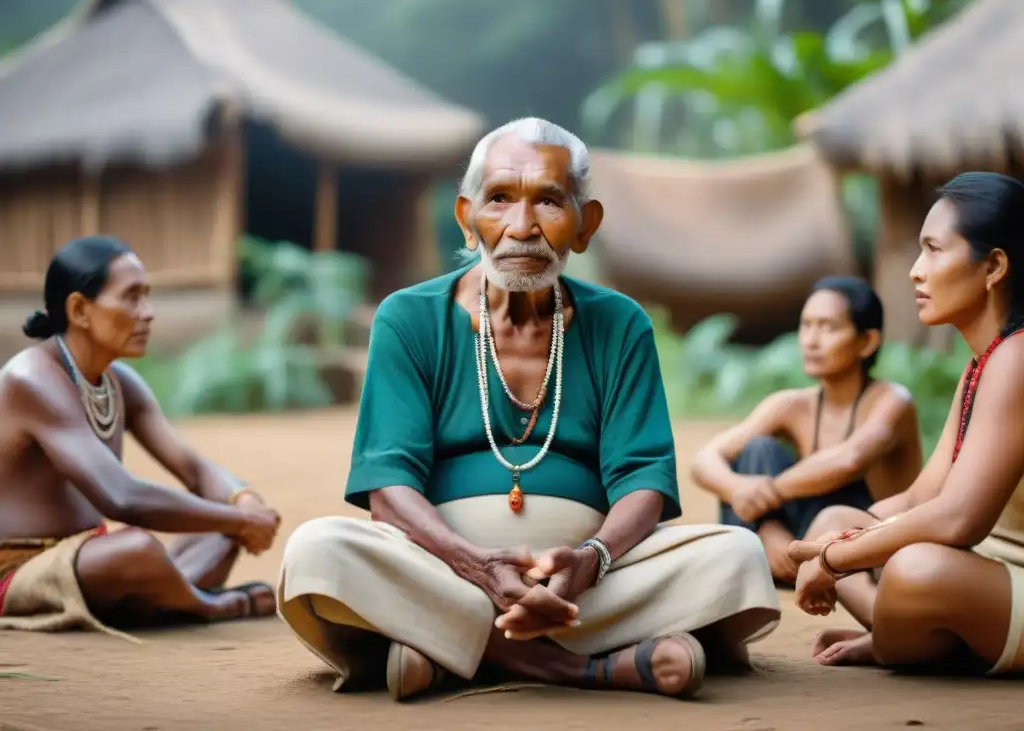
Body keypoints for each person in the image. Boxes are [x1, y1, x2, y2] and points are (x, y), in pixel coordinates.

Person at [277, 117, 780, 702]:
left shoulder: (620, 324)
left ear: (584, 224)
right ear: (467, 220)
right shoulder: (408, 318)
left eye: (548, 201)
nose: (521, 228)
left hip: (588, 582)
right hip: (444, 568)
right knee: (318, 552)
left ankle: (447, 648)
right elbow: (388, 486)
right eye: (499, 200)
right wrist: (475, 566)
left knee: (737, 556)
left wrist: (591, 558)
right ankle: (580, 667)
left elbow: (644, 479)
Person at [788, 172, 1024, 676]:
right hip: (990, 567)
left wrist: (833, 560)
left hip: (1002, 573)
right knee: (836, 519)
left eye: (934, 250)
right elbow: (922, 499)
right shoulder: (984, 362)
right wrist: (842, 539)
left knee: (915, 570)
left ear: (994, 266)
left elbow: (960, 520)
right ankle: (905, 630)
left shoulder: (1019, 359)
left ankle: (894, 636)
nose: (916, 271)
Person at [0, 236, 281, 638]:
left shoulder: (120, 383)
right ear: (79, 309)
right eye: (131, 298)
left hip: (90, 559)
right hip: (18, 571)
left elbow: (193, 467)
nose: (147, 313)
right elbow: (121, 497)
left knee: (218, 526)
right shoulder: (32, 379)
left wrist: (241, 500)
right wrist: (240, 520)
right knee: (137, 551)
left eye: (146, 297)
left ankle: (162, 599)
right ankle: (205, 605)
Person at [691, 277, 922, 584]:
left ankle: (771, 562)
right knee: (758, 449)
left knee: (768, 471)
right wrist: (745, 497)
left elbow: (849, 461)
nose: (811, 340)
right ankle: (762, 563)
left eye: (828, 327)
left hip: (862, 551)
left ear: (867, 342)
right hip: (795, 543)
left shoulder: (892, 402)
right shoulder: (791, 404)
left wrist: (768, 493)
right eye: (806, 325)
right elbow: (705, 459)